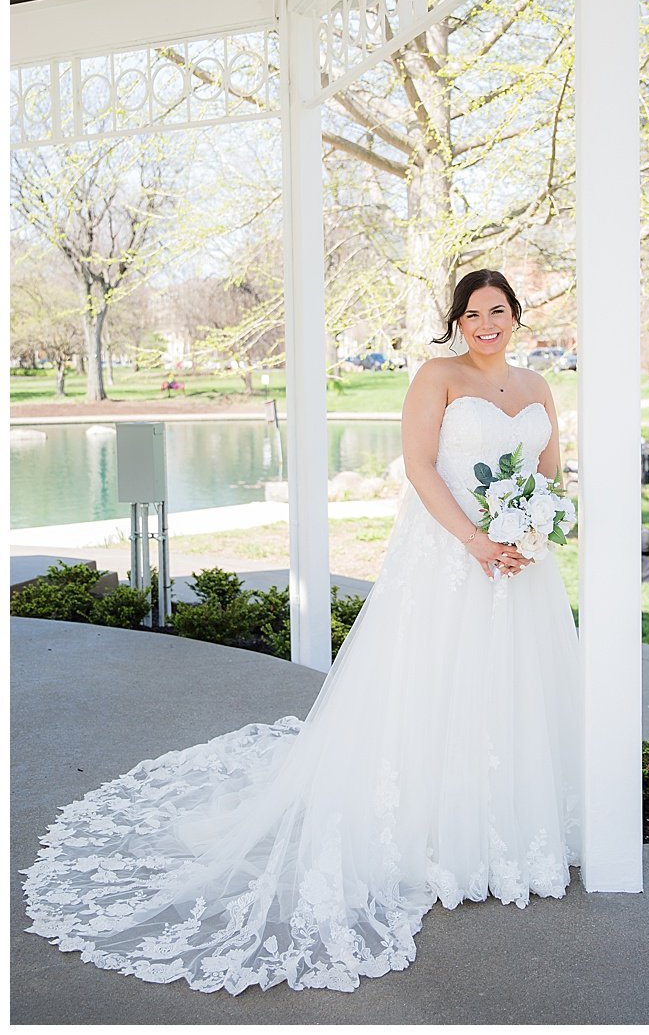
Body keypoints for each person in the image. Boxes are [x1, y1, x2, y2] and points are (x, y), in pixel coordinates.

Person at [22, 269, 582, 993]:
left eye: (497, 311)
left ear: (516, 316)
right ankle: (440, 835)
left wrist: (530, 532)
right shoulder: (436, 376)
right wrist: (477, 540)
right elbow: (418, 467)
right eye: (472, 313)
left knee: (513, 692)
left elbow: (551, 475)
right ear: (456, 320)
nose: (485, 324)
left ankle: (513, 825)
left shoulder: (538, 388)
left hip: (521, 571)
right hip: (450, 560)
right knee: (438, 686)